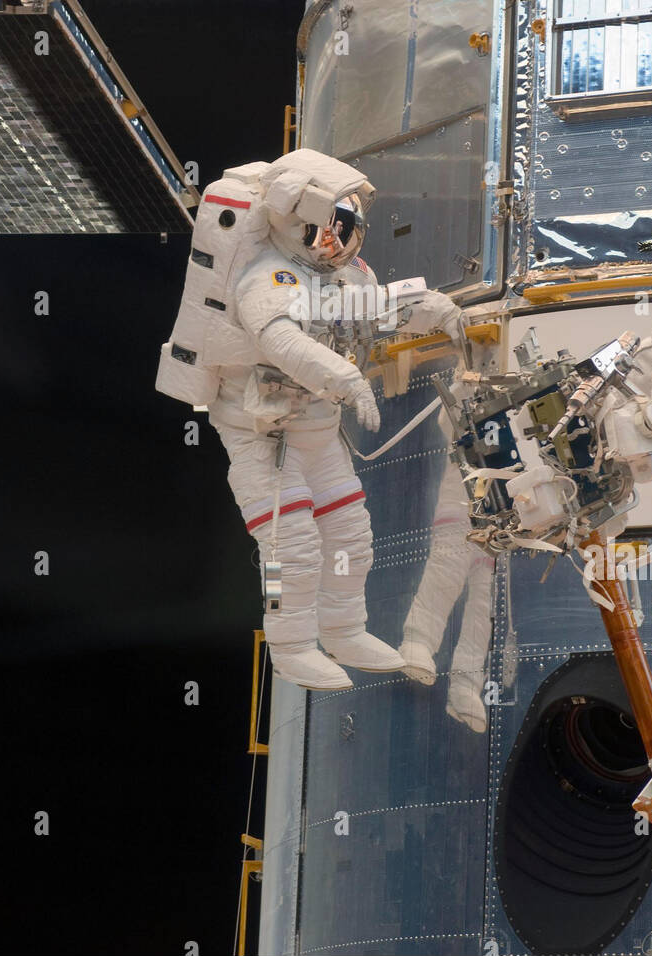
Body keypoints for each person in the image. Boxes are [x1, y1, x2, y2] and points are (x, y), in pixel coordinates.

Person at [157, 147, 462, 690]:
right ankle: (292, 645)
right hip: (262, 435)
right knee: (292, 550)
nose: (337, 240)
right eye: (330, 226)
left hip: (318, 430)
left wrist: (437, 308)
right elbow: (281, 340)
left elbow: (374, 310)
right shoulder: (267, 278)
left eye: (347, 227)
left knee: (350, 538)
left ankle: (344, 630)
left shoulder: (346, 277)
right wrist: (343, 380)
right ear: (297, 225)